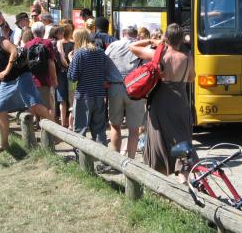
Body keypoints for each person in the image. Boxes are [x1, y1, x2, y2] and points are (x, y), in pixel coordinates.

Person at [130, 23, 197, 183]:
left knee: (158, 138)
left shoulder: (158, 55)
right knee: (182, 138)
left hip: (160, 101)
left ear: (166, 37)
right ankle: (184, 179)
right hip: (180, 101)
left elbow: (132, 47)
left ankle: (158, 178)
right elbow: (191, 77)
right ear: (181, 39)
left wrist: (153, 41)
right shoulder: (188, 57)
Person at [0, 29, 50, 153]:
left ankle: (56, 129)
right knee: (0, 108)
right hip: (7, 82)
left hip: (21, 75)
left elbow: (14, 51)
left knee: (34, 105)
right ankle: (4, 143)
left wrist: (7, 70)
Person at [105, 25, 145, 158]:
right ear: (136, 35)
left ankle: (115, 158)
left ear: (123, 34)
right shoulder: (139, 46)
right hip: (135, 88)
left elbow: (104, 63)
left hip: (115, 87)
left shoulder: (112, 46)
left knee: (115, 125)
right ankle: (131, 160)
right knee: (134, 129)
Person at [68, 28, 109, 144]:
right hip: (99, 94)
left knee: (80, 128)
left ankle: (80, 158)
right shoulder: (100, 52)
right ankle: (103, 158)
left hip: (83, 95)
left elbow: (72, 77)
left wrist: (70, 60)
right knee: (100, 129)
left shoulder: (79, 53)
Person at [24, 21, 57, 117]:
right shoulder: (47, 43)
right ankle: (49, 127)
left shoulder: (28, 45)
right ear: (44, 31)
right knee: (48, 106)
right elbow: (51, 63)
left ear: (32, 32)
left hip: (31, 80)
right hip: (45, 80)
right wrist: (54, 80)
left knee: (34, 104)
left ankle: (36, 123)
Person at [56, 23, 75, 128]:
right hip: (72, 73)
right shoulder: (74, 43)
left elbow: (61, 56)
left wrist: (67, 65)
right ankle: (72, 123)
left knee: (62, 99)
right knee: (72, 98)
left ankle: (63, 123)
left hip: (62, 73)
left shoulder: (59, 43)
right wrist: (71, 67)